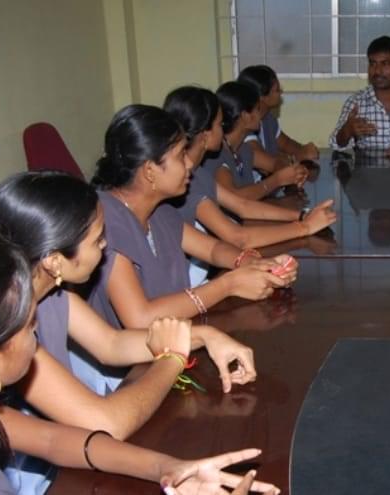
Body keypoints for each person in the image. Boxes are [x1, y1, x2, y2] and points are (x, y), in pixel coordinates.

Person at [0, 227, 277, 494]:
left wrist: (169, 469)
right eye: (31, 326)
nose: (38, 335)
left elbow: (54, 441)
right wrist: (172, 358)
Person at [83, 104, 296, 393]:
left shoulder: (158, 211)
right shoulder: (107, 222)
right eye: (180, 155)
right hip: (127, 376)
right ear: (149, 171)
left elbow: (213, 250)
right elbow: (140, 319)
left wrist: (255, 264)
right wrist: (229, 284)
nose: (189, 164)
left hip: (171, 352)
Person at [162, 85, 336, 249]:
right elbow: (238, 238)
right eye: (220, 125)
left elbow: (243, 206)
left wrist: (302, 216)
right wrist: (305, 227)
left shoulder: (197, 173)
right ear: (205, 136)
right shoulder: (186, 180)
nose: (224, 129)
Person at [213, 81, 309, 200]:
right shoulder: (217, 156)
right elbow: (235, 199)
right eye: (258, 109)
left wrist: (293, 172)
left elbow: (274, 163)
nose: (261, 115)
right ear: (245, 116)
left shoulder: (242, 149)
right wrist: (277, 180)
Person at [237, 65, 320, 170]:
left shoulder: (267, 118)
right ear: (262, 97)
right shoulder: (245, 126)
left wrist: (304, 150)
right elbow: (267, 166)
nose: (281, 92)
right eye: (277, 90)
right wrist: (297, 157)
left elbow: (286, 144)